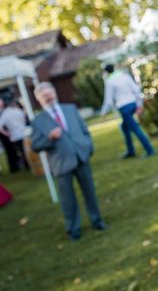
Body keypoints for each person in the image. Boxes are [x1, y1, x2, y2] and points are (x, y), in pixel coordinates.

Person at [31, 82, 106, 241]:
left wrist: (88, 147)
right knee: (67, 199)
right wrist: (49, 138)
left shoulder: (70, 109)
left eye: (50, 93)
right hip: (61, 164)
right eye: (45, 96)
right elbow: (36, 146)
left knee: (89, 192)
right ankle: (73, 229)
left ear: (55, 93)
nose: (49, 97)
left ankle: (97, 220)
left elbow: (84, 130)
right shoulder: (38, 121)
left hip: (81, 156)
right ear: (39, 99)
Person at [100, 64, 155, 158]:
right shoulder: (125, 76)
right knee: (124, 127)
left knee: (136, 129)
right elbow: (136, 90)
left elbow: (108, 101)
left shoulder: (109, 82)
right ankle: (130, 151)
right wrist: (139, 105)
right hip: (133, 104)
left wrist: (103, 113)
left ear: (106, 72)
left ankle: (150, 150)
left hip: (124, 108)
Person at [0, 98, 30, 171]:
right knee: (25, 150)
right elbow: (24, 120)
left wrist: (7, 133)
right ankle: (27, 164)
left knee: (21, 151)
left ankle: (26, 164)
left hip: (14, 136)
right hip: (23, 133)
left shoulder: (4, 114)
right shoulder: (18, 111)